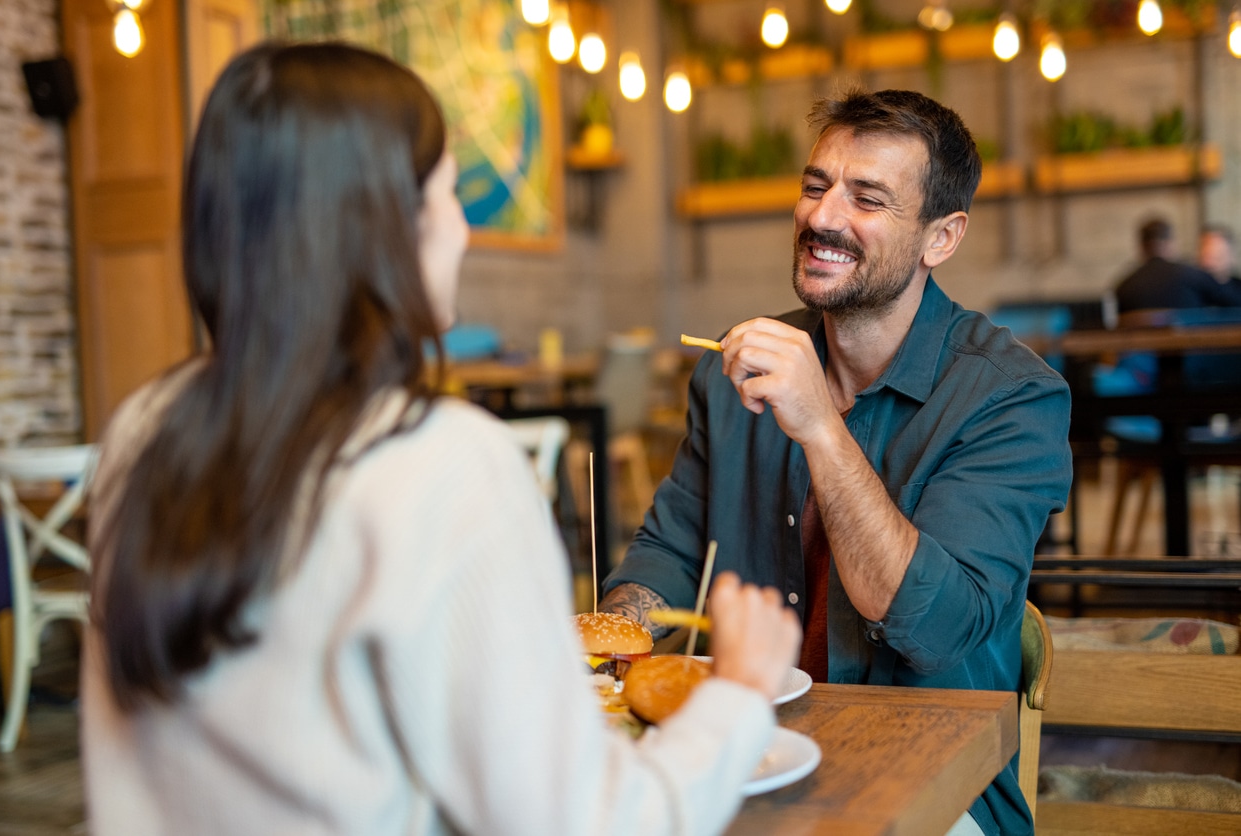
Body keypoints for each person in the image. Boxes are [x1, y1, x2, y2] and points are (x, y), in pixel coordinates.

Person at [80, 41, 801, 836]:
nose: (461, 231)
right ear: (385, 225)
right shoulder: (441, 464)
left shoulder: (142, 429)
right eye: (449, 195)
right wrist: (736, 690)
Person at [599, 88, 1073, 836]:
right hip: (744, 750)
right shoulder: (731, 369)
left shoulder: (1011, 398)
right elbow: (669, 554)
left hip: (934, 782)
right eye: (815, 187)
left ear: (939, 238)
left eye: (867, 198)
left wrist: (820, 425)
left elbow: (935, 627)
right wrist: (611, 631)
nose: (821, 217)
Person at [1114, 217, 1239, 313]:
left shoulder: (1123, 288)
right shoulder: (1191, 276)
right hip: (1194, 346)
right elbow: (1233, 303)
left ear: (1141, 248)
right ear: (1171, 244)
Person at [1198, 223, 1241, 304]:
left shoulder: (1238, 289)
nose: (1210, 262)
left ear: (1232, 256)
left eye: (1218, 256)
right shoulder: (1192, 289)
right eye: (1207, 255)